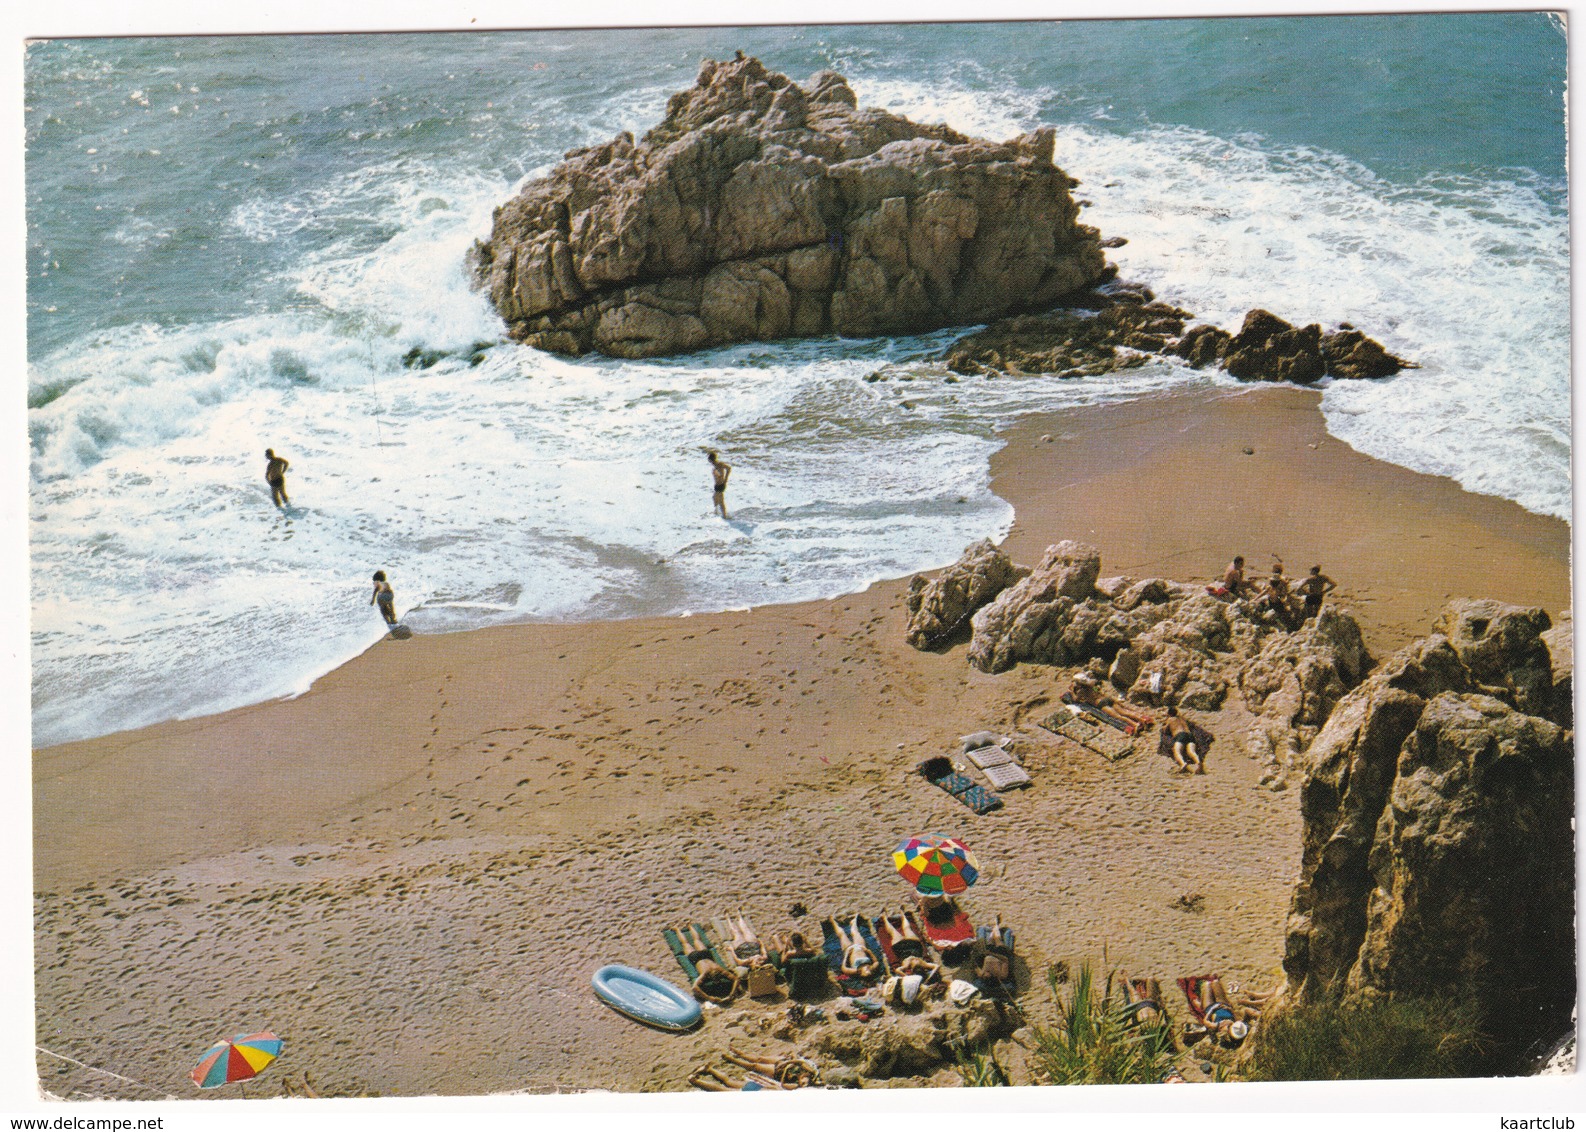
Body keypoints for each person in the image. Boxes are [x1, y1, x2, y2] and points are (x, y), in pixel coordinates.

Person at [1067, 671, 1153, 734]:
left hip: (1101, 703)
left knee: (1119, 716)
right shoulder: (1092, 685)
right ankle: (1141, 719)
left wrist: (1071, 691)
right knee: (1125, 711)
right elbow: (1098, 691)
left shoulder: (1081, 691)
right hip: (1107, 698)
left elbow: (1076, 700)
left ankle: (1135, 724)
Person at [676, 924, 741, 1005]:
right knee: (687, 943)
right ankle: (683, 928)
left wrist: (731, 993)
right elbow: (695, 988)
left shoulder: (716, 970)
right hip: (696, 957)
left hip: (706, 955)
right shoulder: (709, 972)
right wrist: (709, 998)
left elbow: (736, 979)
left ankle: (682, 928)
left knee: (695, 940)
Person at [826, 916, 879, 982]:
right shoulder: (871, 968)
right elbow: (876, 962)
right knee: (855, 932)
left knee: (842, 934)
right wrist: (868, 951)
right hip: (860, 946)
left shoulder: (855, 971)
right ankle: (853, 922)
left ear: (862, 974)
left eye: (866, 971)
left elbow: (843, 968)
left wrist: (846, 955)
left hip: (849, 949)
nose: (868, 970)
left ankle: (832, 921)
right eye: (870, 972)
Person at [1163, 703, 1205, 774]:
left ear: (1169, 714)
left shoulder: (1170, 719)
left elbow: (1165, 730)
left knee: (1177, 751)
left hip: (1180, 735)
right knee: (1191, 752)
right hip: (1189, 735)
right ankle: (1198, 762)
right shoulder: (1182, 719)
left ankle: (1183, 764)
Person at [707, 449, 731, 519]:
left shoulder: (720, 464)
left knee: (721, 501)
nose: (711, 463)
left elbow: (729, 468)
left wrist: (725, 480)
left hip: (721, 485)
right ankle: (717, 512)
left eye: (711, 461)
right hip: (717, 485)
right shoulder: (715, 466)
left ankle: (724, 516)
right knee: (715, 498)